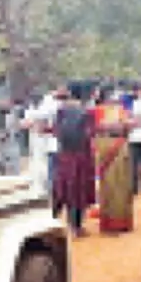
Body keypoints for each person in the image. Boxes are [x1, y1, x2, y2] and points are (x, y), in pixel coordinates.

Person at [52, 87, 95, 238]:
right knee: (78, 191)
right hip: (81, 155)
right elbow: (89, 134)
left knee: (61, 187)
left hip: (64, 154)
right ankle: (75, 226)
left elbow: (56, 131)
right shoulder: (86, 112)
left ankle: (52, 219)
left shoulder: (61, 111)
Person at [93, 87, 135, 234]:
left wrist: (125, 125)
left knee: (123, 183)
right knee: (109, 185)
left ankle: (123, 221)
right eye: (112, 94)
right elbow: (96, 127)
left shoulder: (121, 109)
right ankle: (110, 223)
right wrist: (115, 126)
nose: (115, 97)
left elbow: (129, 125)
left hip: (121, 145)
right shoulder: (97, 110)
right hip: (106, 145)